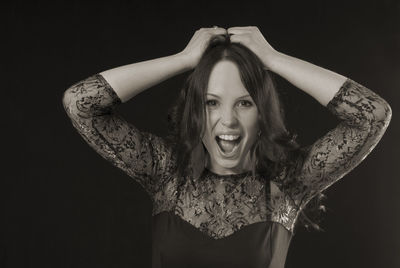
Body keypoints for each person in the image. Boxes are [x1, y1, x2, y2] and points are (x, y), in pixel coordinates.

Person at [62, 26, 392, 268]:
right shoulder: (165, 172)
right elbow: (80, 103)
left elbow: (372, 115)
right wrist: (183, 60)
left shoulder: (287, 184)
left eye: (244, 103)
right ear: (196, 110)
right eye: (212, 103)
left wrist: (274, 59)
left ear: (262, 112)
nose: (228, 121)